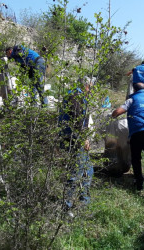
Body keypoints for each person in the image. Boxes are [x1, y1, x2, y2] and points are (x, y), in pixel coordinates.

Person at [112, 82, 144, 197]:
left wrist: (112, 115)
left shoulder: (132, 99)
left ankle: (139, 183)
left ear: (133, 90)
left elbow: (118, 112)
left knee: (136, 158)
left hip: (138, 132)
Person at [59, 80, 93, 213]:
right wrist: (84, 139)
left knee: (87, 169)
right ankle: (67, 206)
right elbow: (77, 119)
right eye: (90, 88)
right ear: (85, 86)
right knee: (75, 173)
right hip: (73, 139)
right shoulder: (75, 98)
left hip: (69, 137)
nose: (90, 92)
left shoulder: (73, 96)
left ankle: (83, 201)